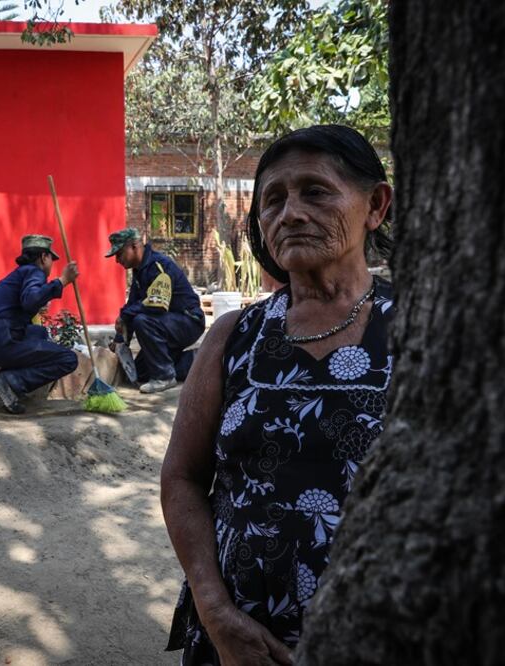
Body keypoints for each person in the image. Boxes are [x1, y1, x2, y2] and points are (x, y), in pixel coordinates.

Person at [161, 125, 395, 664]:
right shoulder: (233, 337)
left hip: (381, 632)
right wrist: (217, 614)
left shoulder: (421, 329)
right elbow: (181, 478)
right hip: (239, 634)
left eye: (315, 191)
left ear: (376, 205)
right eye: (273, 199)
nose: (289, 213)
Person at [0, 234, 80, 414]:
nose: (51, 264)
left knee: (39, 333)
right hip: (0, 340)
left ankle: (9, 379)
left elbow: (26, 304)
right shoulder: (34, 272)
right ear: (44, 257)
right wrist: (62, 281)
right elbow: (30, 300)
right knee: (68, 359)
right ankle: (10, 381)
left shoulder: (18, 275)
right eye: (51, 259)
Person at [106, 227, 205, 393]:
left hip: (188, 320)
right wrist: (120, 340)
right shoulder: (139, 271)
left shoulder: (159, 266)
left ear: (134, 247)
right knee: (142, 372)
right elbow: (132, 306)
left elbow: (156, 305)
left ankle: (164, 377)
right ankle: (198, 361)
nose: (117, 260)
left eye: (119, 254)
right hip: (168, 323)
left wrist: (124, 316)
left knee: (142, 321)